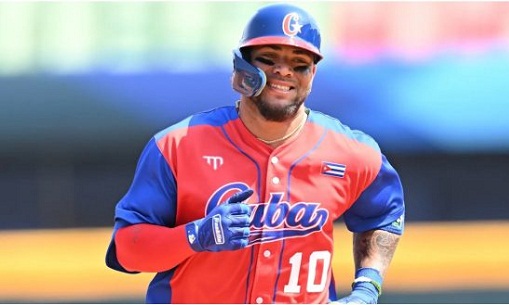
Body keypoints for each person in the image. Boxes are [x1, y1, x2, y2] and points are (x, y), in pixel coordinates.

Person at [105, 3, 405, 304]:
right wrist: (195, 235)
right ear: (243, 66)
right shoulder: (178, 145)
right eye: (268, 58)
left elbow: (384, 215)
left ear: (312, 74)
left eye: (299, 62)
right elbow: (128, 251)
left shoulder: (352, 151)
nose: (284, 70)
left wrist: (367, 289)